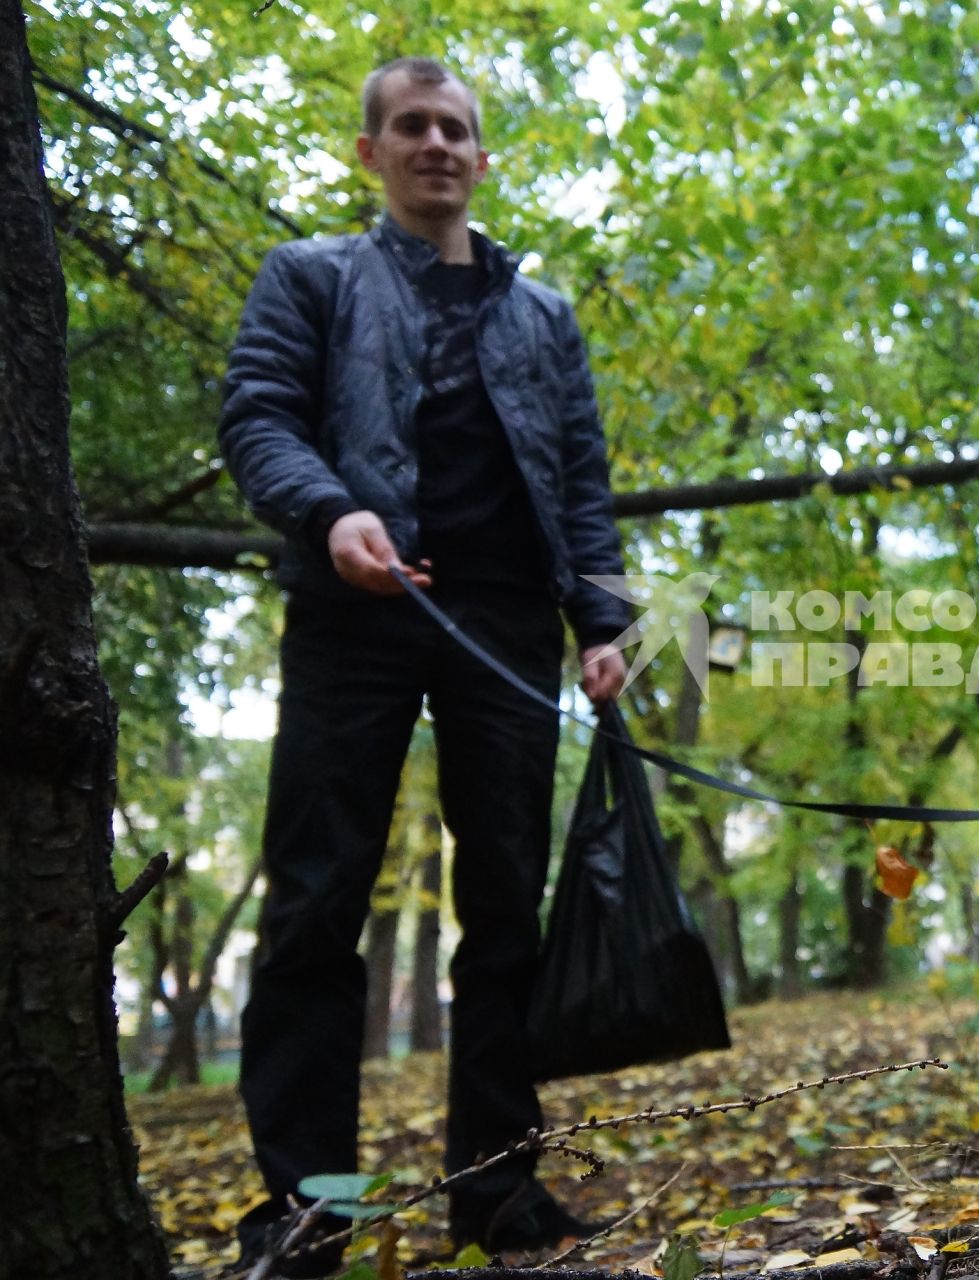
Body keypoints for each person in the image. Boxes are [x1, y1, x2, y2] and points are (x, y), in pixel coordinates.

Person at [219, 55, 631, 1273]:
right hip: (353, 614)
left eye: (456, 128)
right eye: (412, 127)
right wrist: (329, 510)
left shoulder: (540, 312)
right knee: (315, 905)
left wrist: (599, 623)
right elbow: (257, 413)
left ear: (481, 156)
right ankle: (313, 1204)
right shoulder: (311, 276)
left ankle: (497, 1197)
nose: (437, 144)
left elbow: (582, 484)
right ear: (372, 154)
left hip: (505, 630)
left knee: (505, 908)